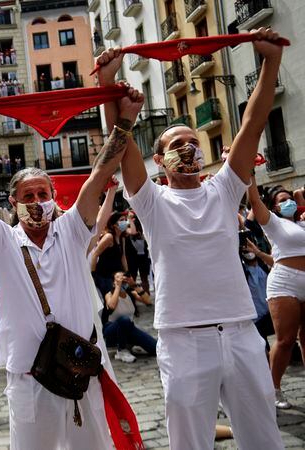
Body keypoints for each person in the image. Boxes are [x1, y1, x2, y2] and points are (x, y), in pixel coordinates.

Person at [97, 27, 285, 449]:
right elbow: (120, 143)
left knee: (265, 440)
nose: (187, 148)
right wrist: (108, 87)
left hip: (240, 333)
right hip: (183, 340)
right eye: (175, 144)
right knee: (189, 444)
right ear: (159, 159)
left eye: (192, 142)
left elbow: (253, 121)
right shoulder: (151, 200)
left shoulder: (223, 188)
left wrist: (271, 60)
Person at [0, 84, 144, 449]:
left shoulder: (72, 229)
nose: (38, 202)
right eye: (29, 196)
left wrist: (125, 121)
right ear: (13, 202)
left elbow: (99, 174)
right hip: (28, 378)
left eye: (44, 194)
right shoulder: (2, 240)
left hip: (81, 372)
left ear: (55, 199)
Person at [247, 177, 305, 409]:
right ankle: (274, 389)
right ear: (274, 207)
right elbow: (253, 198)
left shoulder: (302, 222)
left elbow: (301, 193)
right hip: (285, 282)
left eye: (290, 198)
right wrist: (249, 170)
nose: (289, 202)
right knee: (285, 340)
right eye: (282, 200)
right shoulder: (272, 223)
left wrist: (298, 197)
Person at [103, 271, 156, 363]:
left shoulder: (131, 293)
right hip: (111, 330)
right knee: (124, 319)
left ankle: (128, 344)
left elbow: (148, 301)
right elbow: (111, 306)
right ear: (113, 282)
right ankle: (121, 351)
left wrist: (134, 284)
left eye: (124, 277)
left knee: (155, 348)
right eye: (119, 277)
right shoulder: (109, 294)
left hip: (129, 328)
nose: (123, 279)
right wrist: (118, 287)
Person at [241, 239, 274, 352]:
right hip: (257, 320)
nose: (247, 251)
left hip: (272, 313)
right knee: (263, 349)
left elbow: (276, 263)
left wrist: (258, 252)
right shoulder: (243, 273)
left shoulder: (264, 267)